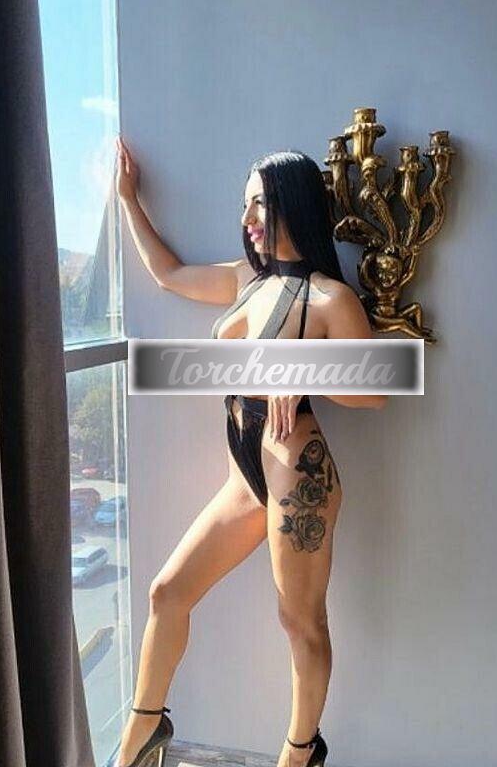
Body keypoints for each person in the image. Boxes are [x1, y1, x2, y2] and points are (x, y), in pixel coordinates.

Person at [112, 138, 388, 767]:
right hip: (245, 470)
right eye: (245, 206)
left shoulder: (329, 298)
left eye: (259, 203)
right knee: (166, 593)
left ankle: (300, 752)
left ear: (293, 202)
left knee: (301, 622)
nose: (248, 219)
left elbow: (375, 393)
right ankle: (142, 733)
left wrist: (303, 368)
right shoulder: (246, 279)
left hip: (295, 468)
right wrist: (129, 200)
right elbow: (168, 274)